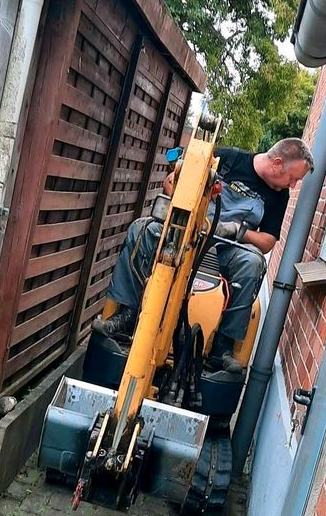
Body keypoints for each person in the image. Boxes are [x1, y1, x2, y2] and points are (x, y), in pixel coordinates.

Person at [92, 137, 314, 371]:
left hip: (226, 248)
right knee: (142, 229)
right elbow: (171, 184)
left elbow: (268, 241)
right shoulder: (226, 160)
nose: (292, 185)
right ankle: (128, 315)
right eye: (293, 178)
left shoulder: (278, 197)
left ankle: (222, 348)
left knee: (253, 262)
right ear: (277, 163)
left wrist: (237, 231)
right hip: (188, 232)